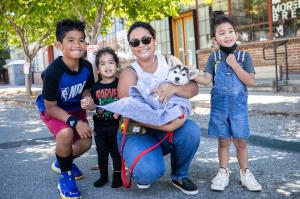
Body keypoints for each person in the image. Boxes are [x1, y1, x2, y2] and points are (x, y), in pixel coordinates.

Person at [117, 21, 200, 195]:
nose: (141, 45)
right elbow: (128, 110)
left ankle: (179, 175)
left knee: (191, 130)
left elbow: (193, 89)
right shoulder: (129, 73)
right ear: (131, 47)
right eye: (135, 42)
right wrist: (168, 126)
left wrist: (174, 88)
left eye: (146, 39)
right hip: (137, 130)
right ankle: (140, 164)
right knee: (148, 173)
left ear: (155, 40)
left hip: (163, 129)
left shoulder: (169, 63)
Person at [193, 11, 262, 192]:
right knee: (223, 141)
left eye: (230, 31)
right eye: (221, 33)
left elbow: (251, 81)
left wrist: (235, 65)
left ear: (236, 34)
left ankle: (245, 173)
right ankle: (223, 172)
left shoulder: (244, 57)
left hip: (238, 108)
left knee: (241, 141)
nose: (227, 35)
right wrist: (191, 73)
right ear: (215, 39)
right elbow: (207, 79)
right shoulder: (213, 58)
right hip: (219, 108)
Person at [36, 19, 95, 199]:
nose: (77, 44)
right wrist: (75, 122)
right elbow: (51, 107)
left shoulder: (86, 66)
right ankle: (66, 176)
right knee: (66, 134)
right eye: (71, 40)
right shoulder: (53, 72)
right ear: (59, 45)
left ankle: (62, 162)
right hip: (54, 110)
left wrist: (87, 98)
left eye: (81, 39)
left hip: (75, 109)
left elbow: (86, 88)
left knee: (86, 142)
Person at [81, 47, 122, 188]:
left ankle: (118, 175)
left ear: (116, 65)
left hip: (117, 126)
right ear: (98, 69)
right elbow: (92, 106)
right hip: (100, 126)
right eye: (103, 64)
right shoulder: (95, 87)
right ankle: (103, 176)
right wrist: (87, 105)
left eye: (111, 62)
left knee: (116, 153)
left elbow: (127, 102)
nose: (107, 66)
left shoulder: (120, 84)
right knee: (102, 153)